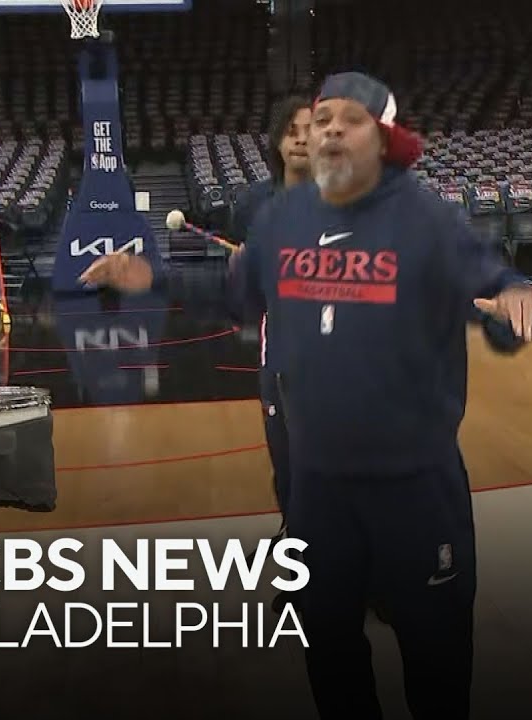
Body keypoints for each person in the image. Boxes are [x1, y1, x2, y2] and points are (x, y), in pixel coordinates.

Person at [229, 71, 532, 719]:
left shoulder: (427, 220)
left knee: (433, 651)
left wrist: (516, 301)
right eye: (321, 117)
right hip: (319, 484)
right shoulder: (280, 217)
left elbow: (494, 286)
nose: (327, 129)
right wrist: (154, 278)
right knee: (327, 642)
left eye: (346, 119)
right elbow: (237, 297)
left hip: (413, 483)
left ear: (383, 140)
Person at [227, 94, 311, 536]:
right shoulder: (254, 204)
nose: (299, 141)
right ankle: (296, 537)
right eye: (290, 131)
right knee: (286, 460)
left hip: (340, 358)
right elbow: (247, 300)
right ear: (277, 142)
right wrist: (243, 271)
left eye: (307, 130)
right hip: (277, 353)